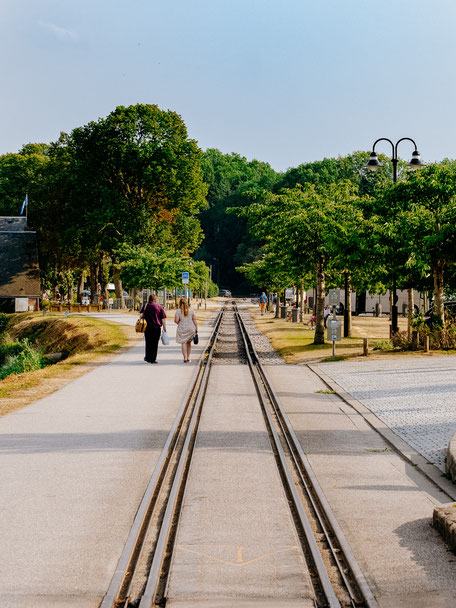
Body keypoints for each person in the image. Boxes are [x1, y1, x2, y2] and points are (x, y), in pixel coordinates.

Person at [141, 294, 167, 364]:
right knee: (155, 343)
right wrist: (164, 327)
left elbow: (141, 315)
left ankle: (148, 357)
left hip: (147, 327)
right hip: (156, 327)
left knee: (148, 342)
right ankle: (153, 359)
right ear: (155, 299)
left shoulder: (146, 306)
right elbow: (163, 318)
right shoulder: (159, 307)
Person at [174, 297, 198, 363]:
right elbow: (194, 320)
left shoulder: (178, 311)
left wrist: (180, 322)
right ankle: (188, 357)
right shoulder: (191, 310)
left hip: (182, 328)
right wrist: (196, 328)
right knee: (189, 343)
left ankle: (184, 358)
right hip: (190, 328)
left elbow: (176, 321)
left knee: (183, 343)